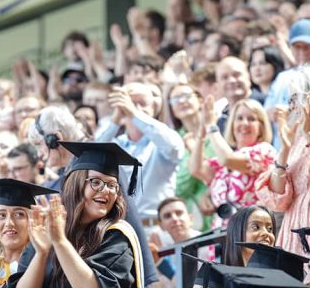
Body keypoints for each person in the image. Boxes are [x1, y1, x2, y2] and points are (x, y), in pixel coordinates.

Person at [5, 142, 144, 288]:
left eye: (113, 185)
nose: (107, 190)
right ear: (76, 184)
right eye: (96, 182)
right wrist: (43, 252)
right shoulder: (46, 230)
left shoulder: (116, 237)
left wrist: (60, 241)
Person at [255, 65, 310, 256]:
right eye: (291, 99)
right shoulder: (297, 135)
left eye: (295, 98)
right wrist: (284, 152)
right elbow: (278, 201)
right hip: (294, 233)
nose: (292, 105)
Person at [94, 82, 185, 222]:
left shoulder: (162, 139)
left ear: (154, 107)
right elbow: (92, 155)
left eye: (142, 103)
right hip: (121, 225)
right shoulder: (115, 144)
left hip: (158, 225)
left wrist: (134, 113)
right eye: (130, 103)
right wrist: (116, 119)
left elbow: (174, 148)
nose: (135, 108)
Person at [190, 97, 275, 229]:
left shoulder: (264, 151)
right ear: (232, 124)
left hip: (251, 231)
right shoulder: (223, 159)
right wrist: (202, 131)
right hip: (221, 236)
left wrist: (212, 126)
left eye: (251, 119)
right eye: (239, 118)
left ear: (261, 126)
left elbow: (227, 160)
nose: (244, 123)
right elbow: (196, 169)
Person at [165, 83, 214, 232]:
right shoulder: (173, 141)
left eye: (186, 96)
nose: (181, 101)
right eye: (175, 99)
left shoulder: (217, 127)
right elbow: (180, 186)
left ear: (199, 100)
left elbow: (222, 169)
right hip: (195, 219)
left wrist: (206, 192)